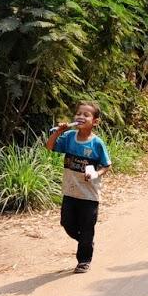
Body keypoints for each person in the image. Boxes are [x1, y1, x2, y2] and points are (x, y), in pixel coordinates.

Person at [46, 101, 112, 274]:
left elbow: (106, 165)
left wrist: (96, 174)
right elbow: (50, 146)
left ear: (95, 121)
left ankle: (84, 260)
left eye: (86, 115)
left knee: (87, 227)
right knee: (66, 223)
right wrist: (59, 132)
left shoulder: (97, 144)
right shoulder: (68, 138)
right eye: (79, 114)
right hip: (70, 191)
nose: (81, 117)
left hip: (89, 195)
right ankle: (86, 241)